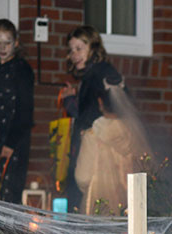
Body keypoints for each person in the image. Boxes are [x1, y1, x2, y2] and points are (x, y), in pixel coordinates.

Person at [60, 25, 123, 212]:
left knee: (89, 199)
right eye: (71, 50)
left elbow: (90, 117)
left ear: (93, 48)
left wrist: (70, 101)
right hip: (96, 146)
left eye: (79, 49)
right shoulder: (93, 74)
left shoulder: (98, 73)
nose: (74, 54)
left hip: (98, 151)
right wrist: (72, 99)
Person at [74, 74, 146, 215]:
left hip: (99, 204)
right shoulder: (135, 134)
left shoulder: (92, 135)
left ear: (100, 102)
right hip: (131, 207)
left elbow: (82, 177)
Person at [0, 18, 33, 204]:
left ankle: (12, 233)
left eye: (7, 42)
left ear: (16, 43)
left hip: (16, 141)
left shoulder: (22, 69)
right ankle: (1, 232)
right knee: (0, 191)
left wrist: (11, 144)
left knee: (11, 192)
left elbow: (25, 110)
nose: (2, 47)